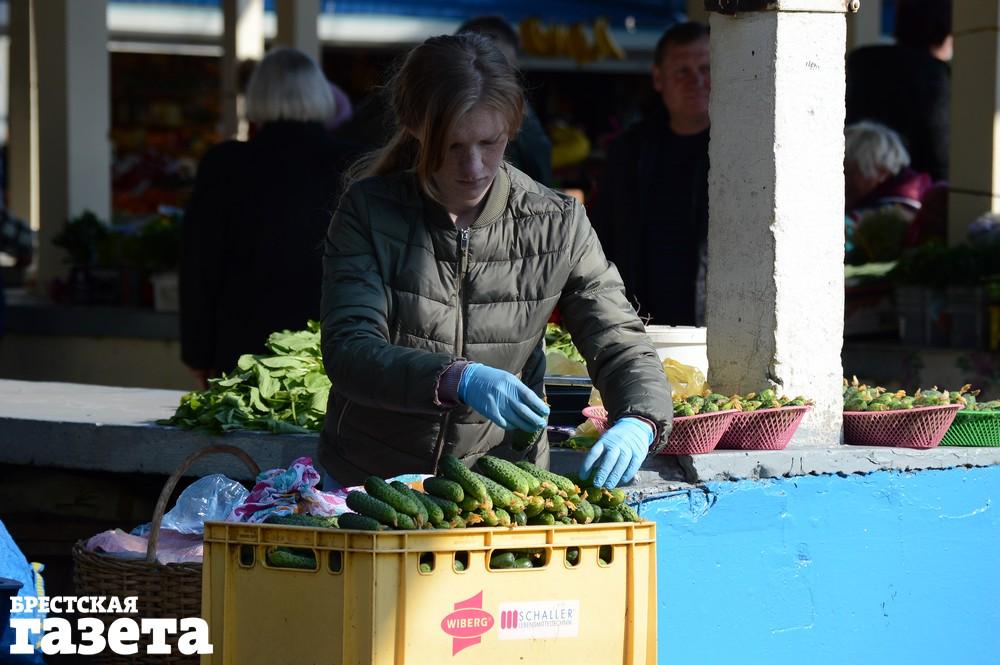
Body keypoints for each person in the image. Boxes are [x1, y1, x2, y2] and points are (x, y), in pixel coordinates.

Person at [319, 33, 671, 489]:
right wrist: (456, 378)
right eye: (452, 146)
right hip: (371, 482)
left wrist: (640, 418)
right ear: (414, 126)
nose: (474, 167)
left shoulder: (557, 222)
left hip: (502, 484)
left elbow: (618, 337)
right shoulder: (368, 211)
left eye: (490, 142)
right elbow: (350, 349)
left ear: (513, 127)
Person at [180, 47, 349, 387]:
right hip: (332, 350)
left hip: (243, 350)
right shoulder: (352, 163)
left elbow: (200, 265)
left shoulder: (224, 165)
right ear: (320, 93)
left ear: (256, 95)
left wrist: (197, 353)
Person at [333, 16, 554, 186]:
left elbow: (542, 179)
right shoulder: (400, 106)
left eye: (501, 75)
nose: (473, 168)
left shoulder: (524, 123)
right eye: (453, 145)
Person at [591, 22, 710, 326]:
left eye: (706, 68)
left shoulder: (744, 151)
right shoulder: (629, 151)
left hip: (718, 324)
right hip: (640, 326)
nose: (697, 81)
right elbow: (602, 240)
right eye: (682, 71)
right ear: (658, 78)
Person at [846, 0, 952, 181]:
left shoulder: (862, 64)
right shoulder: (935, 77)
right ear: (945, 32)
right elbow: (939, 156)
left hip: (852, 181)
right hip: (907, 188)